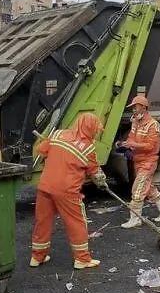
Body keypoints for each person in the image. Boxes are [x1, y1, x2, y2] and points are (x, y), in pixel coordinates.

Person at [30, 113, 106, 269]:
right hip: (67, 191)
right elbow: (95, 173)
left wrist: (53, 149)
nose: (96, 132)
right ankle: (82, 259)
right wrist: (102, 183)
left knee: (42, 222)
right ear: (90, 128)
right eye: (95, 129)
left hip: (45, 186)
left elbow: (41, 151)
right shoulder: (88, 148)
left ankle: (37, 257)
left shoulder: (58, 134)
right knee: (76, 223)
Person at [119, 95, 160, 229]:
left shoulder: (153, 125)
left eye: (135, 107)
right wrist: (127, 146)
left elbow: (150, 146)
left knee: (137, 190)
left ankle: (135, 219)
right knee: (147, 188)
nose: (133, 110)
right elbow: (131, 137)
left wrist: (133, 145)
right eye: (133, 107)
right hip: (138, 161)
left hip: (148, 162)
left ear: (143, 107)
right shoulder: (135, 121)